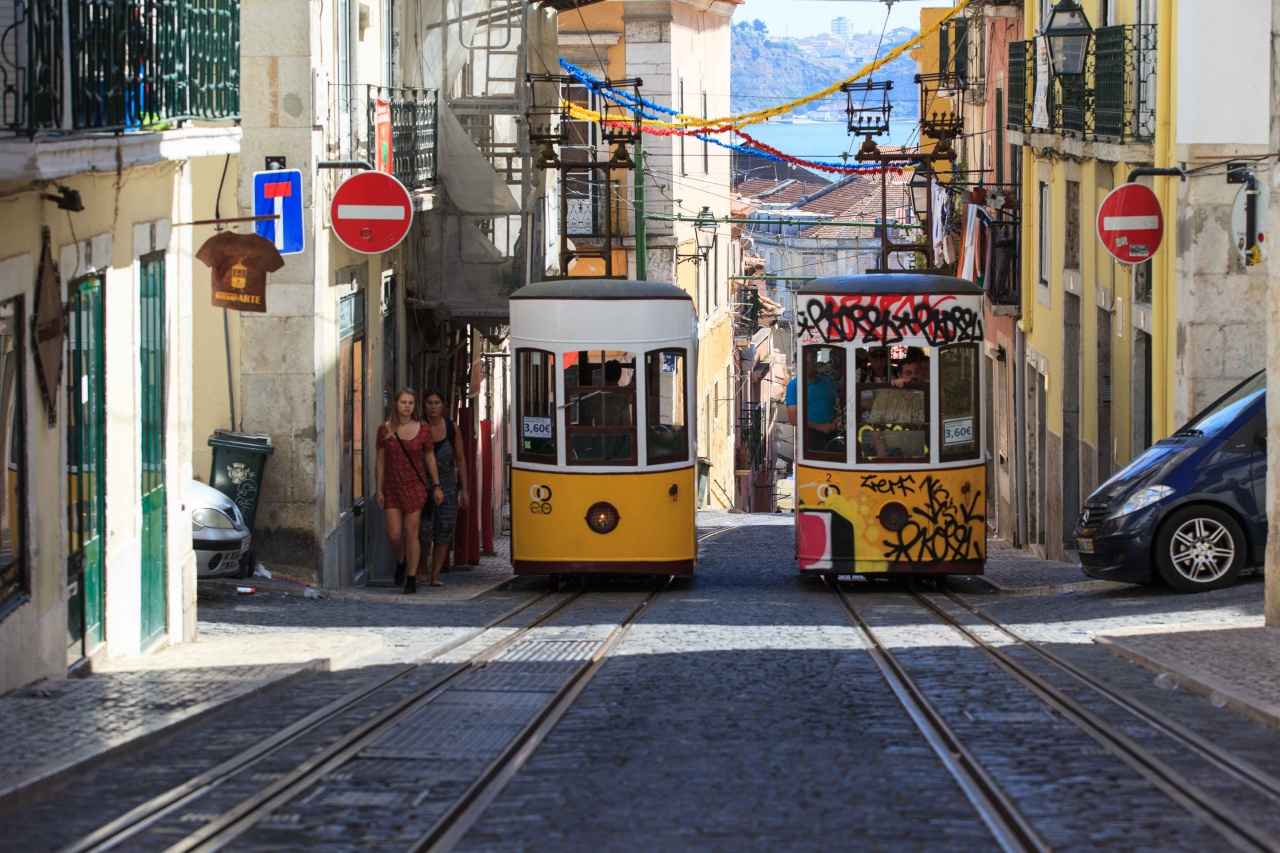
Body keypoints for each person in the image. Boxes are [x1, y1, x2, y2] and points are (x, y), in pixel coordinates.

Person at [375, 388, 444, 594]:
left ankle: (412, 578)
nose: (407, 406)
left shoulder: (423, 429)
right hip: (392, 487)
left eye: (411, 403)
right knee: (394, 535)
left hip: (415, 486)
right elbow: (380, 461)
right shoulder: (384, 429)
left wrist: (437, 485)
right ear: (396, 404)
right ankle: (401, 560)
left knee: (411, 533)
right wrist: (378, 489)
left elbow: (430, 458)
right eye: (404, 402)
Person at [418, 389, 469, 588]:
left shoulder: (451, 428)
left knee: (445, 530)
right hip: (423, 486)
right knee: (423, 531)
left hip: (447, 485)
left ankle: (435, 575)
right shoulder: (419, 428)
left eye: (436, 402)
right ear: (424, 405)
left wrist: (464, 489)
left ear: (443, 406)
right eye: (429, 403)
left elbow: (461, 459)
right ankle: (423, 564)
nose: (433, 407)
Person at [864, 355, 928, 458]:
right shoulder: (886, 395)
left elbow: (940, 417)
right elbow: (875, 426)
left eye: (916, 372)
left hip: (923, 457)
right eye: (908, 373)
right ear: (899, 375)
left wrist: (922, 392)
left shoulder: (930, 391)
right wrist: (882, 454)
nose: (913, 376)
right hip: (893, 457)